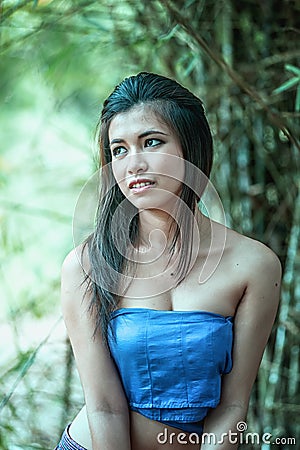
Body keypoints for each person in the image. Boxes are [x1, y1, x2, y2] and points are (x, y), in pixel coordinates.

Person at [55, 72, 282, 450]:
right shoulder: (87, 265)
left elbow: (232, 405)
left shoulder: (255, 265)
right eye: (119, 150)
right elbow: (104, 407)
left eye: (152, 142)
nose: (133, 164)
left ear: (191, 150)